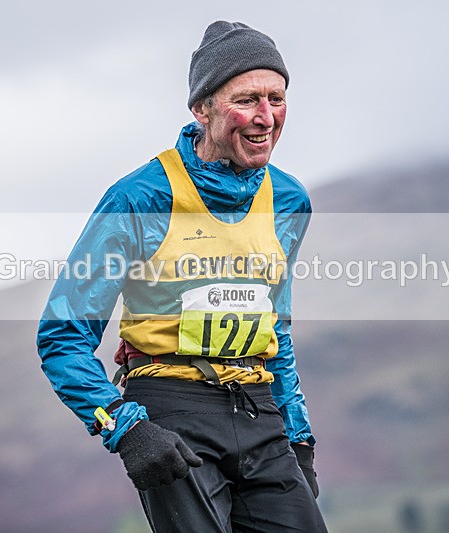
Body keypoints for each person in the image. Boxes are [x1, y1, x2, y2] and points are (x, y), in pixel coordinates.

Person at [37, 20, 327, 532]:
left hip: (258, 410)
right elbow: (63, 336)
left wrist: (299, 437)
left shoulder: (288, 201)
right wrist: (127, 431)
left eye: (277, 99)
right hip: (172, 409)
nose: (266, 117)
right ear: (202, 108)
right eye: (247, 100)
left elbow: (274, 330)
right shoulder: (140, 197)